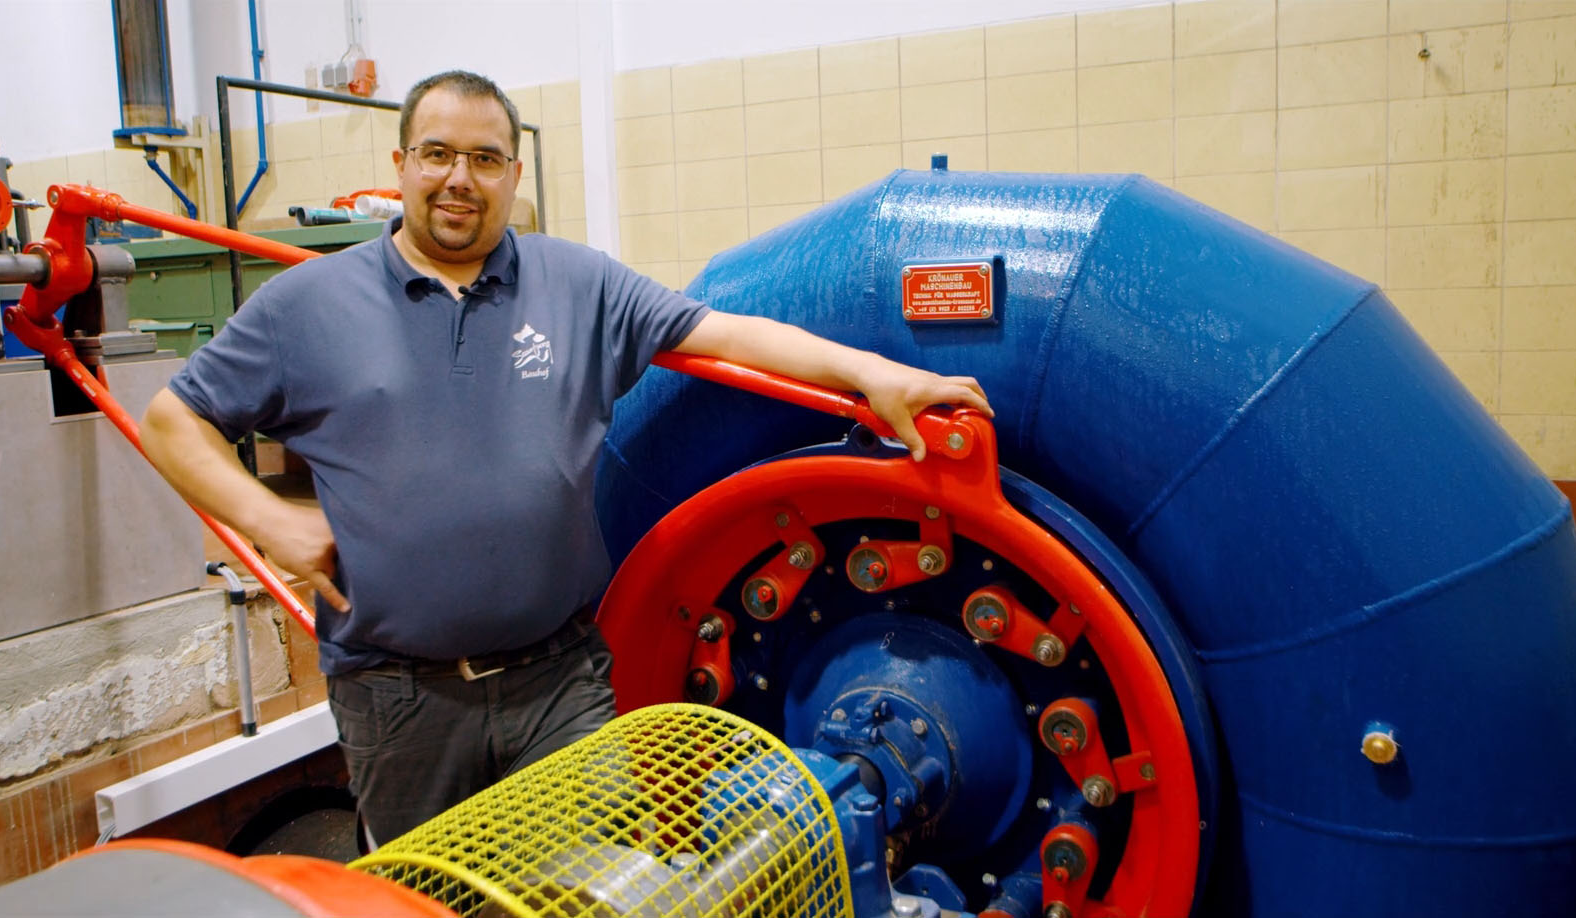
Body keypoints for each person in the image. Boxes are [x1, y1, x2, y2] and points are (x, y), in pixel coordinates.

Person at [138, 69, 992, 845]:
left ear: (513, 175)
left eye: (485, 159)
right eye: (438, 154)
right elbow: (173, 420)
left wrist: (873, 372)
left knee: (589, 889)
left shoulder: (579, 285)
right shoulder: (308, 306)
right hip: (398, 697)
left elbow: (727, 332)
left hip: (559, 682)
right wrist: (266, 518)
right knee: (421, 896)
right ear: (400, 165)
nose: (459, 178)